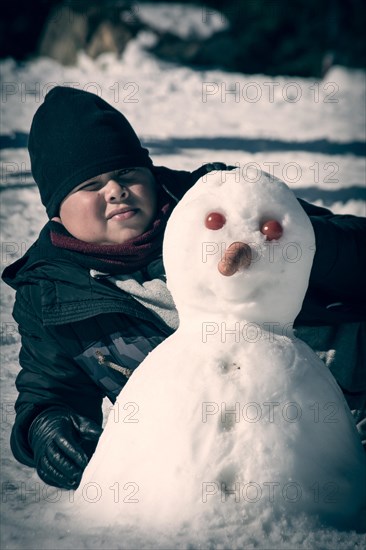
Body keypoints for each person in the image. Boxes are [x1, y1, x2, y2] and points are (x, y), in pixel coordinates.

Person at [2, 86, 365, 491]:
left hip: (347, 401)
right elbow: (50, 389)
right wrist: (47, 428)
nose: (115, 191)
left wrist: (289, 240)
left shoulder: (221, 201)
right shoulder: (49, 290)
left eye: (126, 174)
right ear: (56, 209)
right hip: (225, 465)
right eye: (90, 185)